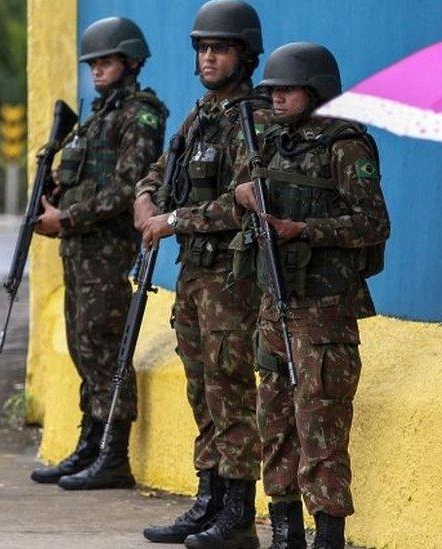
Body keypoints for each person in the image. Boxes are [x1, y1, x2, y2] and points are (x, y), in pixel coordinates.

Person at [232, 41, 391, 549]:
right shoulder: (271, 144)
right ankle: (284, 532)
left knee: (320, 430)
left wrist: (303, 228)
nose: (276, 99)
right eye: (272, 91)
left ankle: (327, 536)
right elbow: (243, 197)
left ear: (315, 90)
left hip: (322, 313)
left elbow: (373, 223)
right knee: (274, 422)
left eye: (288, 90)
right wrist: (242, 196)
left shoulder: (346, 146)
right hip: (273, 304)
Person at [134, 1, 269, 546]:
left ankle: (237, 514)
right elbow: (160, 171)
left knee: (231, 390)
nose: (209, 57)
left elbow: (244, 204)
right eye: (202, 49)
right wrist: (146, 199)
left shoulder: (250, 119)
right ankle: (208, 499)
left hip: (231, 282)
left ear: (245, 54)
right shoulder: (201, 115)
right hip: (194, 279)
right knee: (201, 390)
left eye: (220, 48)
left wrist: (172, 220)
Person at [29, 16, 167, 491]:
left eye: (106, 62)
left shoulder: (140, 114)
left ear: (130, 63)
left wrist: (66, 217)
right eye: (93, 64)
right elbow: (82, 180)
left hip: (107, 251)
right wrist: (54, 205)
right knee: (84, 346)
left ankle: (113, 454)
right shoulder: (96, 117)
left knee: (107, 351)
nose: (97, 71)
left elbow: (129, 185)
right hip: (80, 251)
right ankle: (89, 444)